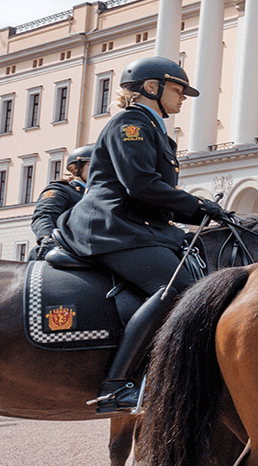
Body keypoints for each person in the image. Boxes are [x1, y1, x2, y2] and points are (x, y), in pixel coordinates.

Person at [61, 58, 233, 413]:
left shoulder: (153, 129)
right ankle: (116, 384)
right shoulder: (131, 124)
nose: (184, 97)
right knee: (178, 289)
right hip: (111, 226)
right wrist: (197, 205)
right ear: (151, 88)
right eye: (177, 89)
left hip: (137, 226)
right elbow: (140, 184)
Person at [28, 143, 93, 259]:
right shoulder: (62, 190)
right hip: (68, 247)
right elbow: (44, 215)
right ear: (77, 168)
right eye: (91, 165)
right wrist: (47, 237)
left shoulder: (100, 193)